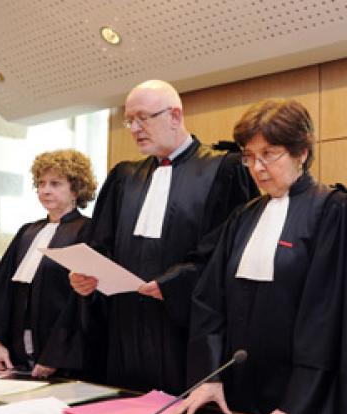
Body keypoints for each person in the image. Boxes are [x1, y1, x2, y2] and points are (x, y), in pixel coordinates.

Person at [168, 99, 347, 414]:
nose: (257, 167)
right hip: (240, 393)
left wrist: (298, 403)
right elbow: (209, 301)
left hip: (304, 404)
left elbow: (328, 314)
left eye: (269, 153)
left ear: (301, 152)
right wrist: (210, 377)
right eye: (249, 156)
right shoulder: (243, 217)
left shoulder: (334, 209)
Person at [69, 80, 258, 394]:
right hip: (126, 328)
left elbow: (226, 250)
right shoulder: (124, 177)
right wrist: (87, 276)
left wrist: (173, 283)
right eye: (130, 120)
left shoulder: (223, 169)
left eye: (144, 117)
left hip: (184, 328)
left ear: (175, 115)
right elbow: (100, 244)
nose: (134, 128)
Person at [0, 149, 97, 378]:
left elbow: (82, 304)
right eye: (41, 183)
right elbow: (1, 293)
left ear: (76, 189)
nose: (45, 190)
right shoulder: (27, 232)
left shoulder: (88, 231)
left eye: (55, 183)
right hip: (17, 355)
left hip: (64, 359)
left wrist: (56, 355)